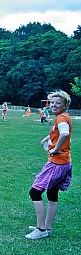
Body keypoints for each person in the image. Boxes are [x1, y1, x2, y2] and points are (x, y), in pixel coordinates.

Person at [25, 90, 72, 240]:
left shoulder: (61, 118)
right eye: (52, 102)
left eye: (58, 103)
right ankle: (47, 227)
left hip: (57, 163)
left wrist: (56, 150)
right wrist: (47, 138)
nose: (54, 105)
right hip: (64, 163)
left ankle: (41, 229)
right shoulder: (63, 117)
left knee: (35, 192)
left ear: (65, 105)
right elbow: (61, 133)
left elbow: (64, 134)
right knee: (52, 193)